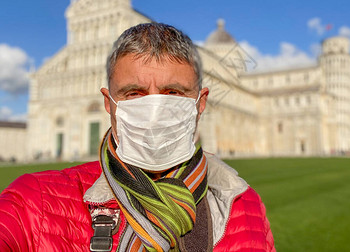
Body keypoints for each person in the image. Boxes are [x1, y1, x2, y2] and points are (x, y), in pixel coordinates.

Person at [0, 23, 275, 251]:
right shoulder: (35, 200)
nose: (154, 112)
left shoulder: (244, 204)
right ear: (109, 104)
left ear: (200, 104)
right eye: (134, 94)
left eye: (173, 93)